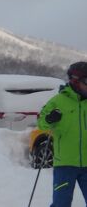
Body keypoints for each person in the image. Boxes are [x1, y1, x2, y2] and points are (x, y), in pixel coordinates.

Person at [39, 61, 87, 207]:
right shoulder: (58, 101)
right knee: (61, 203)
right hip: (65, 164)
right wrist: (49, 119)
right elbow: (41, 122)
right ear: (75, 81)